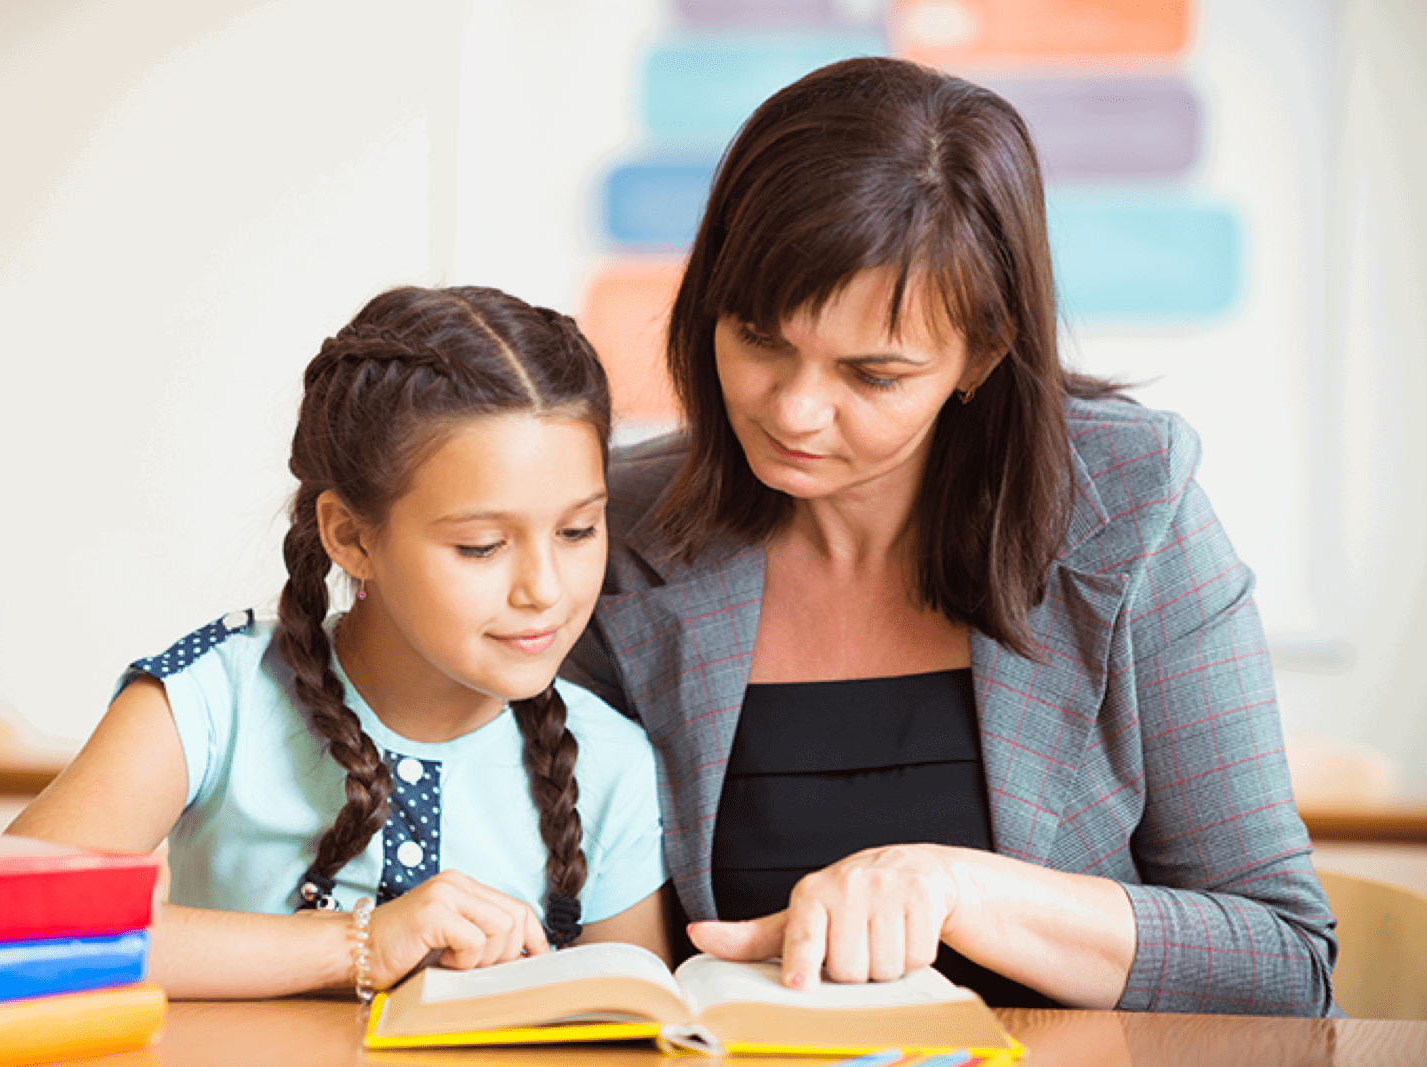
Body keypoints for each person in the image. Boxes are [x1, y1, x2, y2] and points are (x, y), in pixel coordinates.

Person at [562, 57, 1338, 1015]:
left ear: (982, 354)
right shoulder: (612, 525)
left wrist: (961, 889)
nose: (796, 411)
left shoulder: (1130, 505)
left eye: (874, 374)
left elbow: (1283, 962)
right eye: (759, 337)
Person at [10, 285, 669, 1000]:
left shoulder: (610, 761)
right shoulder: (210, 697)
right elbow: (8, 920)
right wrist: (358, 941)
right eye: (481, 546)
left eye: (578, 531)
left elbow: (636, 1017)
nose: (544, 587)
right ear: (351, 536)